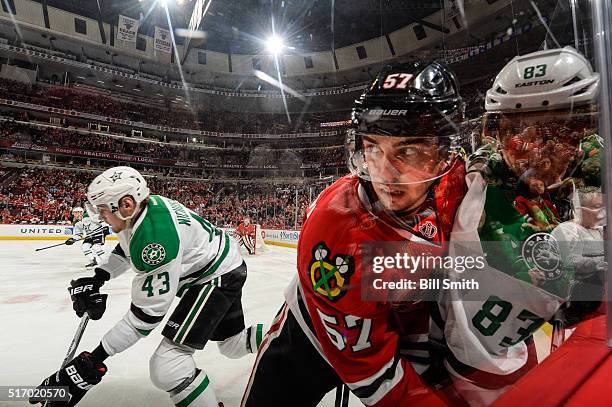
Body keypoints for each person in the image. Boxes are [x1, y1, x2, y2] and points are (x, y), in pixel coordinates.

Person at [242, 61, 468, 407]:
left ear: (444, 154)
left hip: (412, 320)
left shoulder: (464, 186)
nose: (385, 174)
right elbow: (373, 373)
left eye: (408, 151)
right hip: (314, 336)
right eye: (373, 149)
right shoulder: (336, 236)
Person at [431, 46, 604, 406]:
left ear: (582, 127)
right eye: (517, 131)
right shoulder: (485, 206)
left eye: (557, 132)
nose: (538, 152)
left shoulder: (594, 161)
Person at [32, 166, 265, 407]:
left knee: (168, 366)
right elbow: (126, 246)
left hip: (216, 276)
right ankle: (289, 336)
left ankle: (291, 339)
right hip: (223, 263)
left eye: (102, 209)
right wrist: (99, 277)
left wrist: (94, 359)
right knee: (233, 345)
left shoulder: (155, 241)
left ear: (126, 204)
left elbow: (145, 318)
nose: (99, 216)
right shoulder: (141, 210)